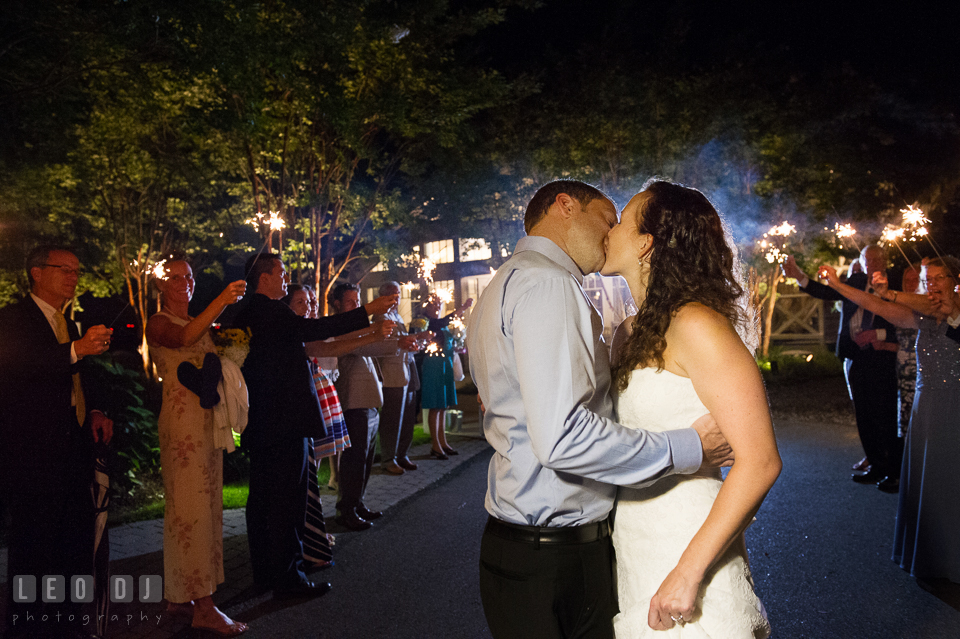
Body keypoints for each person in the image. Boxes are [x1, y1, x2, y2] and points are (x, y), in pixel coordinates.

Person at [467, 179, 734, 639]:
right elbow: (561, 437)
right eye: (608, 218)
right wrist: (688, 446)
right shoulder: (549, 285)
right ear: (565, 206)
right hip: (555, 558)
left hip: (522, 545)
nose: (611, 233)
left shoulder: (506, 281)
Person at [601, 180, 781, 636]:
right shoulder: (627, 331)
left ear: (647, 244)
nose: (609, 228)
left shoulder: (698, 324)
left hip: (688, 539)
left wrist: (688, 571)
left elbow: (759, 462)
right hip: (635, 536)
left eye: (620, 220)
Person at [234, 253, 398, 598]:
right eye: (280, 272)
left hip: (264, 421)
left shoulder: (248, 312)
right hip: (285, 421)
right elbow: (317, 330)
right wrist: (368, 310)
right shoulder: (273, 311)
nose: (285, 276)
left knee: (262, 500)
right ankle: (289, 579)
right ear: (263, 277)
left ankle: (265, 573)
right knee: (285, 502)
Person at [817, 257, 960, 584]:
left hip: (955, 402)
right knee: (931, 481)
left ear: (955, 279)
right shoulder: (922, 313)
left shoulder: (951, 308)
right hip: (927, 404)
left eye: (940, 277)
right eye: (929, 278)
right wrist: (839, 286)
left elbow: (949, 316)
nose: (933, 284)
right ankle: (934, 556)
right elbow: (874, 304)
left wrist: (893, 293)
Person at [0, 246, 114, 638]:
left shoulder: (66, 321)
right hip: (34, 452)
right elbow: (22, 364)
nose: (72, 276)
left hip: (73, 448)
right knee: (34, 545)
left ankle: (68, 622)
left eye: (76, 270)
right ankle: (28, 626)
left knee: (72, 543)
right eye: (63, 269)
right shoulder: (14, 319)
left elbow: (76, 376)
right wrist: (77, 349)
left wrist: (95, 410)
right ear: (36, 272)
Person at [145, 260, 249, 636]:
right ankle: (203, 606)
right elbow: (186, 337)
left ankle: (180, 597)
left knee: (203, 507)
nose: (185, 283)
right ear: (161, 284)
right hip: (181, 423)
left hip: (206, 420)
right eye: (175, 277)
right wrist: (222, 299)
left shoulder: (197, 320)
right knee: (189, 510)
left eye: (189, 276)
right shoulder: (159, 323)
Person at [782, 246, 901, 492]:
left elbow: (907, 321)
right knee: (864, 414)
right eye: (867, 259)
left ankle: (894, 470)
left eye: (876, 258)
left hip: (882, 355)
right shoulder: (855, 280)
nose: (871, 263)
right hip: (856, 355)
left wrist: (878, 333)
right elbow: (825, 291)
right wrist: (798, 274)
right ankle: (876, 466)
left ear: (885, 260)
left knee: (886, 413)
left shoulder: (895, 282)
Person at [328, 283, 421, 531]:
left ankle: (357, 503)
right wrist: (397, 344)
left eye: (358, 300)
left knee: (366, 457)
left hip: (369, 397)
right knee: (354, 458)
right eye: (350, 301)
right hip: (353, 398)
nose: (357, 306)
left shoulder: (357, 324)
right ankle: (345, 509)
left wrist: (399, 342)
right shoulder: (337, 325)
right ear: (337, 304)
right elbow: (364, 346)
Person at [374, 281, 421, 475]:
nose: (396, 298)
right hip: (391, 375)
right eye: (392, 294)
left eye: (398, 294)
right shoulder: (380, 317)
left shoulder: (398, 315)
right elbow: (381, 346)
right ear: (383, 297)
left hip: (406, 371)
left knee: (408, 416)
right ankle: (388, 458)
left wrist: (412, 345)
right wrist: (402, 344)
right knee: (392, 419)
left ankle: (402, 454)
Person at [420, 292, 473, 459]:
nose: (436, 307)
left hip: (445, 366)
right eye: (433, 305)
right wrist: (462, 308)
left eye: (438, 305)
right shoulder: (426, 323)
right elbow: (440, 324)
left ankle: (443, 442)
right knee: (436, 406)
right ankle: (435, 445)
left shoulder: (440, 323)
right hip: (434, 366)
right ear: (426, 306)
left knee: (443, 406)